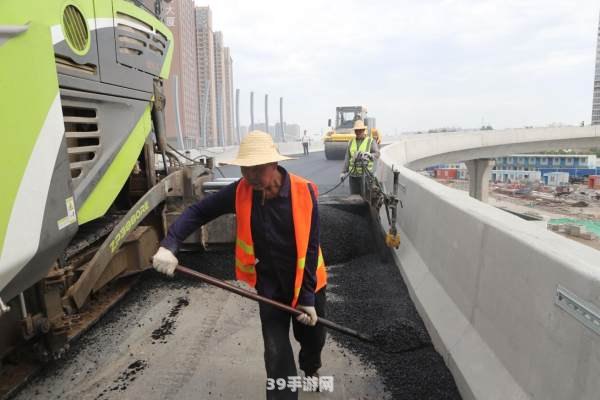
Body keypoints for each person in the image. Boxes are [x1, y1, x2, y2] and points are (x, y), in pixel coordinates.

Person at [152, 131, 327, 400]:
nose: (250, 175)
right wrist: (170, 244)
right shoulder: (241, 191)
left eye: (257, 168)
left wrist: (306, 297)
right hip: (270, 286)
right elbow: (199, 211)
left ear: (273, 164)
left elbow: (312, 247)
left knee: (313, 340)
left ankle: (311, 370)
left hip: (308, 281)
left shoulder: (305, 192)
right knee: (276, 355)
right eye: (245, 168)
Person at [340, 119, 380, 195]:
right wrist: (343, 172)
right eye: (356, 131)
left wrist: (370, 155)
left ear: (363, 130)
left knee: (366, 198)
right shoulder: (351, 142)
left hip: (366, 176)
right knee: (354, 198)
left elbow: (377, 154)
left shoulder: (370, 141)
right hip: (353, 176)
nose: (358, 132)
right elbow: (347, 158)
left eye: (359, 130)